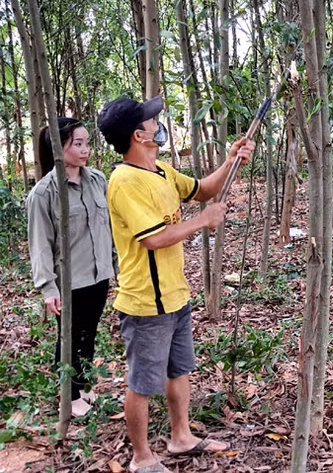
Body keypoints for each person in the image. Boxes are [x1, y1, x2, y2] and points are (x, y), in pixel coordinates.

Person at [98, 95, 255, 473]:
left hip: (175, 294)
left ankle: (181, 437)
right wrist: (203, 222)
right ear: (139, 135)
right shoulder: (124, 182)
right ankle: (141, 457)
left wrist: (232, 160)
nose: (158, 123)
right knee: (142, 382)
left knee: (178, 369)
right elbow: (153, 238)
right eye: (152, 121)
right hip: (146, 302)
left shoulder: (162, 171)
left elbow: (204, 190)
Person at [26, 117, 116, 417]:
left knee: (88, 332)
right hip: (69, 281)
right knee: (69, 336)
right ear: (58, 147)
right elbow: (40, 244)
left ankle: (85, 383)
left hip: (98, 274)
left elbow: (109, 228)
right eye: (77, 144)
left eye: (87, 143)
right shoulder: (43, 194)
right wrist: (48, 287)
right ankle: (70, 393)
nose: (84, 150)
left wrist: (115, 264)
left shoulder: (98, 181)